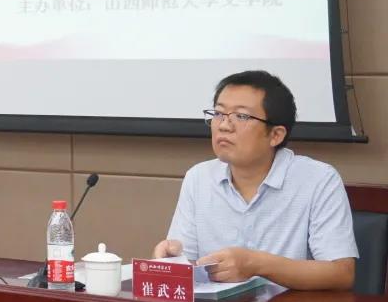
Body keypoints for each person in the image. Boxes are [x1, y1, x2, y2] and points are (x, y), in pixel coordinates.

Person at [153, 70, 357, 290]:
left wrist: (256, 264)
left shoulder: (318, 180)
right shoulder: (198, 178)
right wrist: (171, 261)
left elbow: (341, 274)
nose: (223, 125)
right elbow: (187, 264)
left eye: (241, 116)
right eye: (219, 113)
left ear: (276, 135)